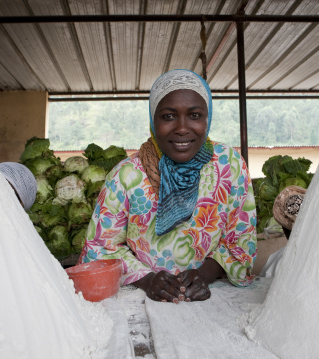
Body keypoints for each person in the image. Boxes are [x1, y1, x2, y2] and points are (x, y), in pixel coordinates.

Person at [78, 69, 257, 303]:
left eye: (194, 115)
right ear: (153, 120)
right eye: (168, 116)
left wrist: (204, 274)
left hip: (214, 296)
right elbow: (100, 248)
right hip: (141, 298)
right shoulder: (127, 175)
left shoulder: (229, 165)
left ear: (208, 118)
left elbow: (242, 240)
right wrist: (147, 279)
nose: (182, 128)